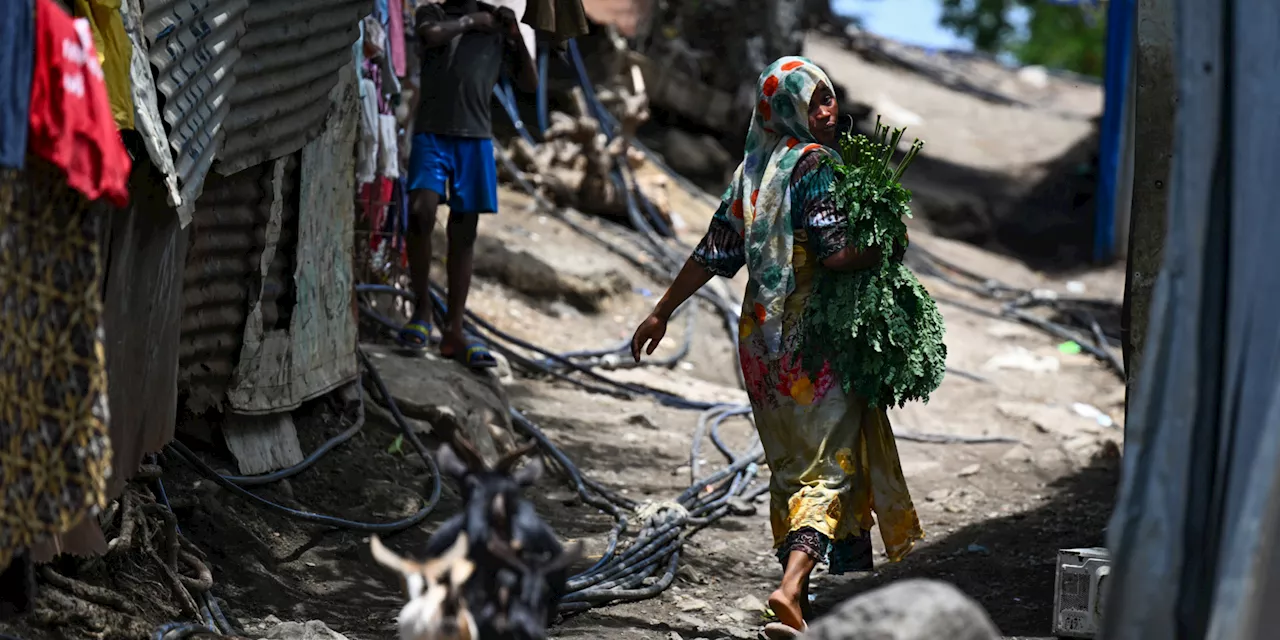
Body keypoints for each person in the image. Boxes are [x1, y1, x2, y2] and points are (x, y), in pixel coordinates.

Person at [630, 57, 924, 638]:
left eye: (829, 98)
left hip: (761, 342)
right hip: (812, 340)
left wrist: (662, 311)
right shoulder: (815, 166)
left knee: (791, 465)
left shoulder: (753, 172)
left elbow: (713, 253)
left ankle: (798, 603)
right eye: (814, 102)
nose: (828, 111)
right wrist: (886, 247)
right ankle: (789, 590)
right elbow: (836, 252)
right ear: (787, 108)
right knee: (829, 469)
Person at [398, 0, 538, 368]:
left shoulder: (499, 27)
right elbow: (431, 36)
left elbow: (529, 82)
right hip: (431, 135)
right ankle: (422, 310)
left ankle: (454, 329)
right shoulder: (433, 13)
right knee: (420, 211)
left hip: (474, 139)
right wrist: (473, 21)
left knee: (464, 232)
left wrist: (514, 36)